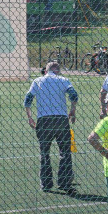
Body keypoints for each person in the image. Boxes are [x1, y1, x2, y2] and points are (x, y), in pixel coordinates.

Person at [24, 61, 79, 195]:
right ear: (57, 70)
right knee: (65, 152)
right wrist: (72, 110)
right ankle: (64, 182)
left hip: (44, 120)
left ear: (46, 70)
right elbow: (74, 95)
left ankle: (46, 183)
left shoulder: (37, 81)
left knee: (44, 153)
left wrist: (30, 117)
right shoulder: (63, 80)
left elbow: (28, 99)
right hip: (61, 119)